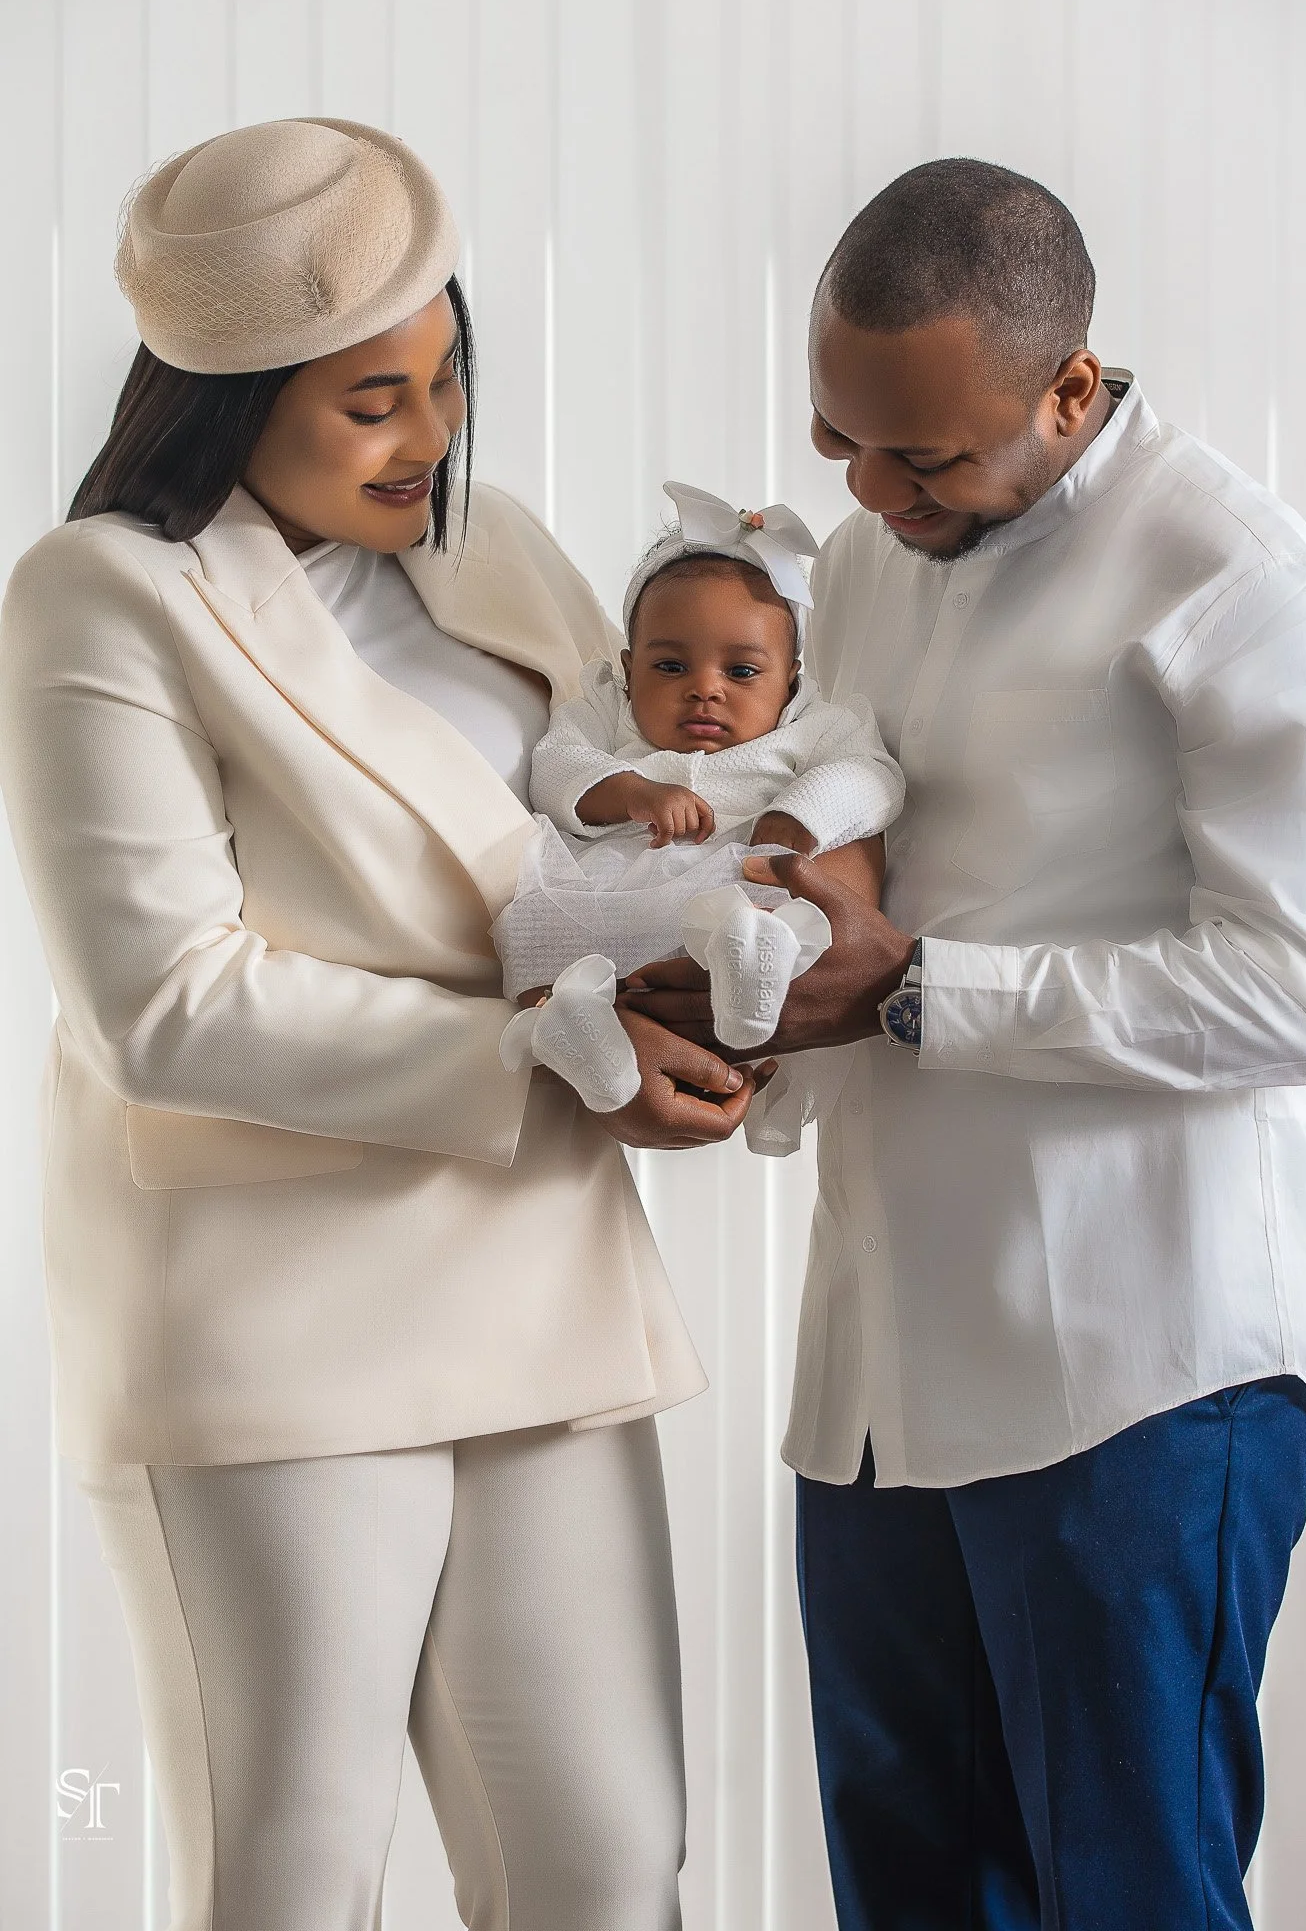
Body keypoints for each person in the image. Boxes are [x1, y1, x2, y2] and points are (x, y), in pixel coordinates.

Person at [0, 117, 764, 1931]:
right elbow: (165, 1000)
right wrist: (535, 1056)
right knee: (294, 1871)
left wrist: (718, 978)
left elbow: (640, 820)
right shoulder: (104, 593)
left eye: (445, 378)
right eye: (370, 401)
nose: (430, 438)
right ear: (227, 398)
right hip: (277, 1313)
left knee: (605, 1860)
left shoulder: (498, 552)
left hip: (544, 1284)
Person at [626, 157, 1306, 1930]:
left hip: (1141, 1368)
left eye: (926, 460)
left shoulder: (1236, 575)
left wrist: (916, 989)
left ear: (1070, 386)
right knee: (910, 1896)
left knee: (1126, 1897)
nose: (874, 497)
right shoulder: (878, 556)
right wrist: (744, 1022)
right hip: (886, 1374)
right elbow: (858, 859)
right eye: (841, 442)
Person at [492, 479, 904, 1113]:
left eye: (741, 671)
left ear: (790, 679)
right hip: (606, 892)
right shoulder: (606, 710)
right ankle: (568, 1027)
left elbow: (872, 777)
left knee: (784, 907)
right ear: (628, 669)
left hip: (732, 879)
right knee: (526, 921)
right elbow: (555, 768)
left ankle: (751, 967)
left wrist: (796, 818)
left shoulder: (816, 723)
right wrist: (628, 791)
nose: (704, 689)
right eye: (670, 666)